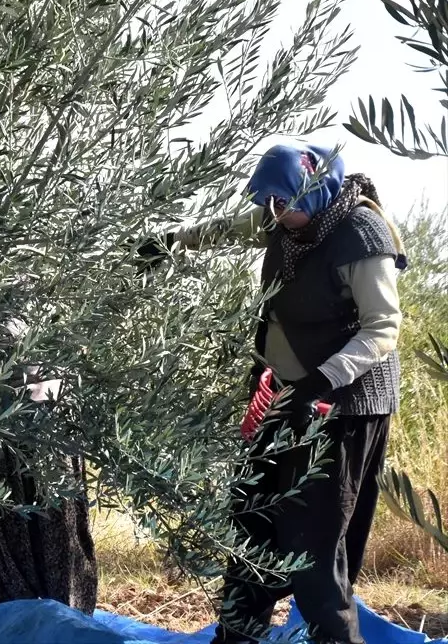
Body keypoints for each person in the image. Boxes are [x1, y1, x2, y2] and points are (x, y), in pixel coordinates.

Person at [140, 143, 406, 644]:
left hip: (344, 406)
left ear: (318, 192)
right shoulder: (279, 219)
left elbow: (382, 327)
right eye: (272, 203)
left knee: (314, 545)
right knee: (253, 525)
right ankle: (238, 636)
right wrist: (172, 241)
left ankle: (336, 638)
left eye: (286, 202)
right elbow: (223, 229)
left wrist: (320, 382)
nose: (278, 212)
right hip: (281, 397)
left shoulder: (361, 235)